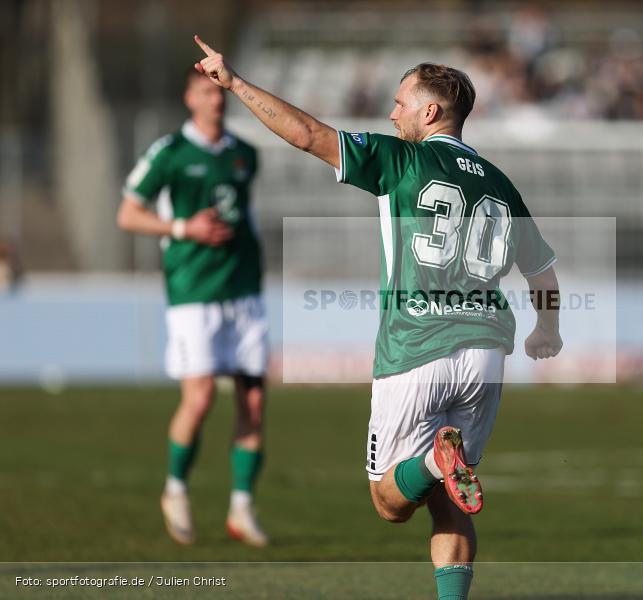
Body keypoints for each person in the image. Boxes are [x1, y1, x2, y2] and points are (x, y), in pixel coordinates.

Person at [192, 35, 562, 599]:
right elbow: (543, 273)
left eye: (400, 103)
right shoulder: (501, 184)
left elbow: (309, 136)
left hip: (417, 347)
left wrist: (236, 83)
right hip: (487, 352)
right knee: (450, 505)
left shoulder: (402, 158)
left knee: (390, 503)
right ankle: (445, 474)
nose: (392, 114)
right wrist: (548, 329)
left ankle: (438, 460)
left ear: (430, 111)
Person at [117, 68, 269, 547]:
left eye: (220, 91)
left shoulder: (245, 154)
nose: (216, 99)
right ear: (189, 97)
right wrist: (184, 229)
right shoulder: (170, 154)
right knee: (200, 398)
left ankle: (242, 509)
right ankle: (175, 490)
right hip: (193, 291)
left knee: (253, 404)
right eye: (205, 91)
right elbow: (128, 214)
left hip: (244, 290)